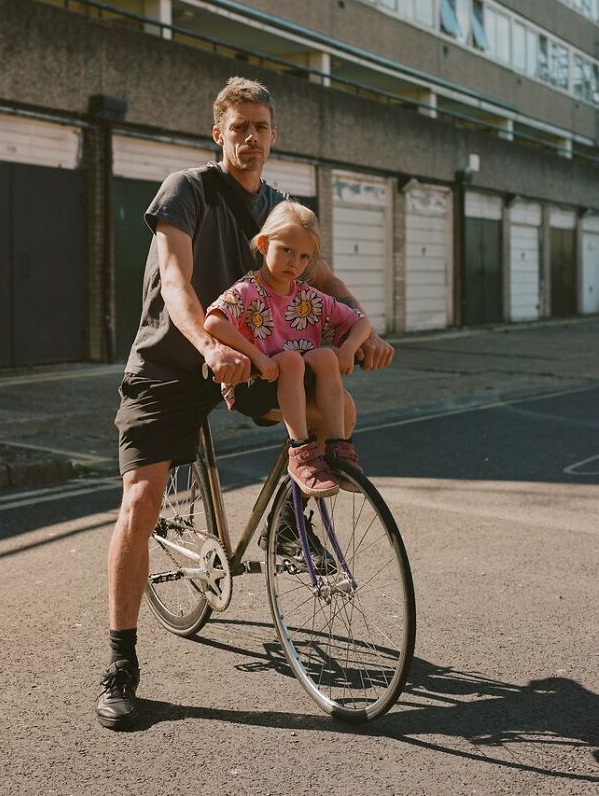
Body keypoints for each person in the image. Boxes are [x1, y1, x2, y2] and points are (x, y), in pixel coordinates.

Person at [97, 76, 394, 731]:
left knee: (329, 406)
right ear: (219, 135)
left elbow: (323, 279)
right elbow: (176, 282)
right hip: (174, 362)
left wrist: (362, 331)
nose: (251, 138)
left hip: (251, 359)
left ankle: (292, 523)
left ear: (273, 135)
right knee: (140, 501)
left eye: (261, 127)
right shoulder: (188, 191)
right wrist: (208, 343)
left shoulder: (281, 211)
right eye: (240, 128)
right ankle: (120, 661)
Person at [204, 200, 372, 497]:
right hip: (256, 386)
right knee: (293, 361)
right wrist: (256, 356)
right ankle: (300, 451)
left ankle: (337, 449)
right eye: (286, 251)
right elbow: (214, 322)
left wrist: (347, 349)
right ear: (264, 244)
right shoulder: (248, 290)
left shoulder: (309, 297)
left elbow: (360, 323)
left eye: (304, 257)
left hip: (299, 389)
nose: (294, 262)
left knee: (323, 356)